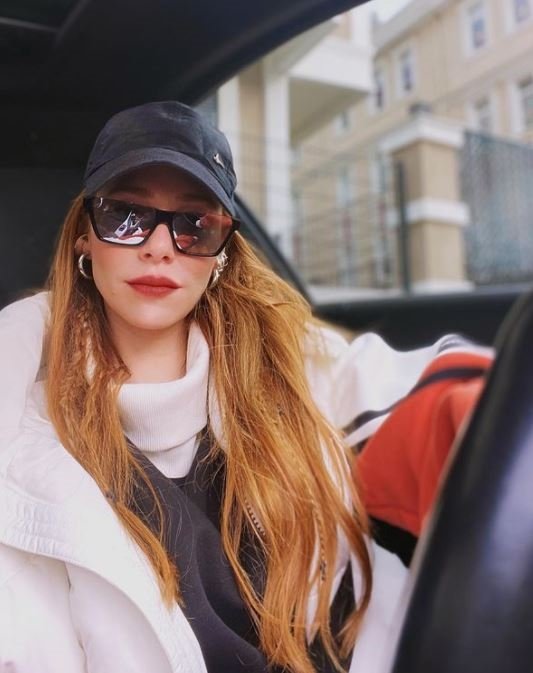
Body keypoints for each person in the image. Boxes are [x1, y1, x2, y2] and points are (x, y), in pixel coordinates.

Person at [0, 101, 408, 673]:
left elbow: (423, 399)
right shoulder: (25, 427)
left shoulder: (295, 372)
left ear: (221, 252)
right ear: (85, 236)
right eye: (126, 215)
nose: (160, 246)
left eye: (194, 224)